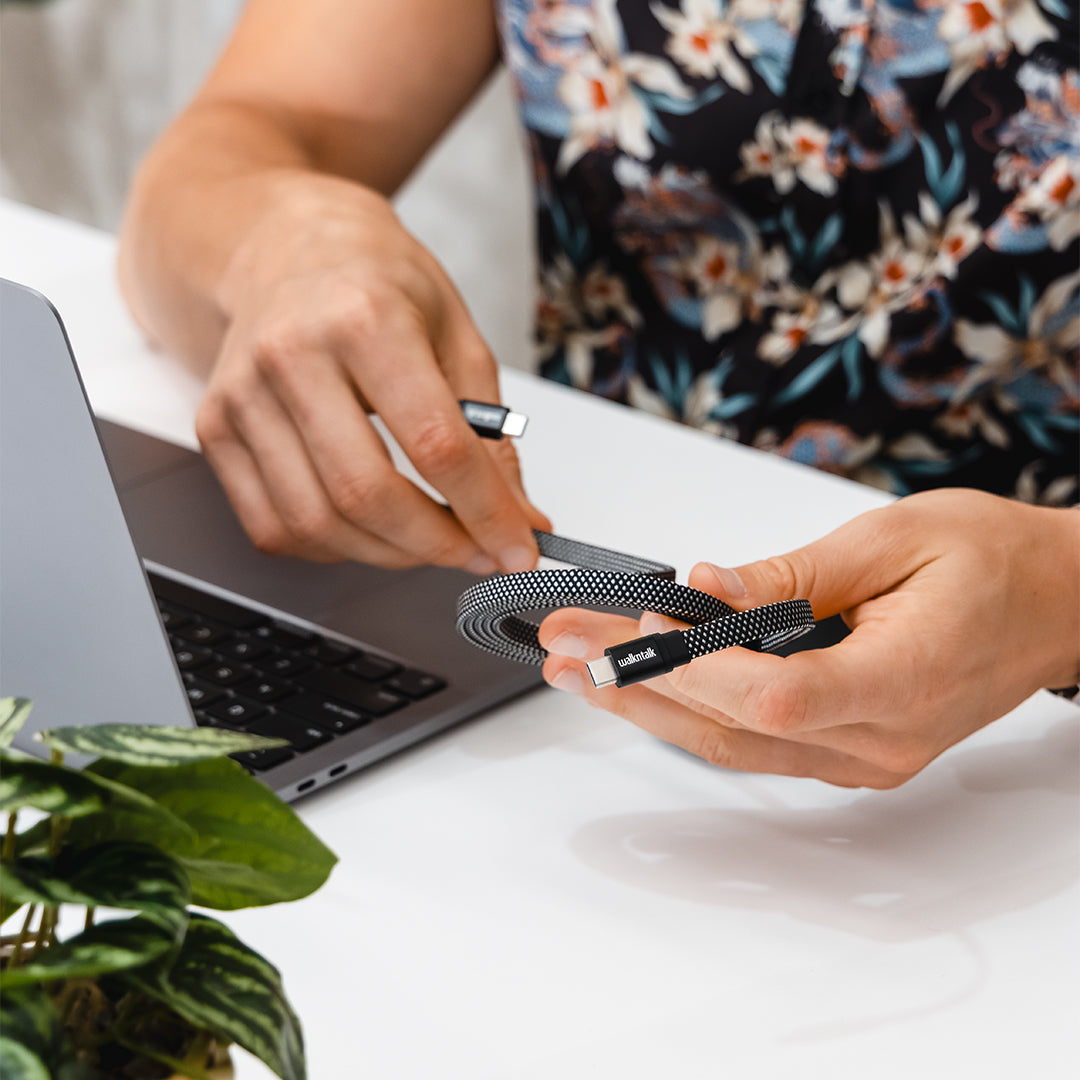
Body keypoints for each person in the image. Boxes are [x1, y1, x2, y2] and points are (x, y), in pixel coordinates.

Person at [117, 0, 1079, 788]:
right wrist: (282, 239)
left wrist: (1059, 596)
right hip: (563, 693)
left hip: (1019, 743)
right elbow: (224, 153)